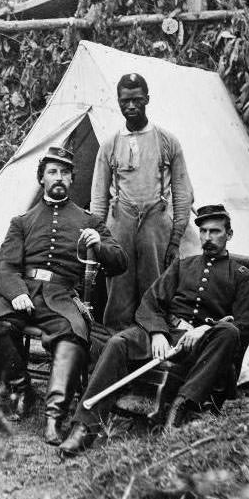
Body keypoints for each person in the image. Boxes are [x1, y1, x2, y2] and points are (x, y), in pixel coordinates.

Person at [59, 204, 249, 455]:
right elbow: (150, 302)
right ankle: (84, 427)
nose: (208, 238)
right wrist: (158, 332)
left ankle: (182, 405)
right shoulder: (183, 266)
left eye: (215, 232)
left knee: (229, 333)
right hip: (166, 334)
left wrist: (207, 329)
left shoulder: (241, 276)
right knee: (118, 343)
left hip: (202, 347)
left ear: (229, 235)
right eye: (203, 232)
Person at [0, 146, 127, 445]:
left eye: (65, 172)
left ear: (71, 179)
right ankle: (20, 387)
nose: (59, 178)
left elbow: (120, 262)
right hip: (23, 292)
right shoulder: (22, 221)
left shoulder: (89, 221)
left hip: (62, 296)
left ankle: (54, 416)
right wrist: (16, 293)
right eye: (52, 172)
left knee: (73, 333)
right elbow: (5, 266)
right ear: (41, 178)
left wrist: (100, 246)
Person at [91, 72, 193, 330]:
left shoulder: (167, 141)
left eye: (137, 99)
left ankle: (153, 350)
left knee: (155, 290)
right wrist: (102, 239)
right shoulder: (109, 145)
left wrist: (175, 238)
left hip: (155, 225)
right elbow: (99, 198)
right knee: (118, 293)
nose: (131, 106)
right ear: (118, 102)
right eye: (125, 101)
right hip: (120, 226)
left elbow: (182, 194)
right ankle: (118, 350)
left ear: (147, 99)